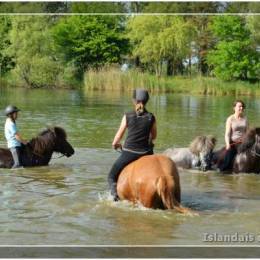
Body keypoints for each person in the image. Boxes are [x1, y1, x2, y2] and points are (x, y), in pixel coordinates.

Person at [108, 89, 157, 201]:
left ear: (133, 101)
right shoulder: (151, 117)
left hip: (129, 153)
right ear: (147, 101)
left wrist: (115, 144)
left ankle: (115, 197)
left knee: (111, 176)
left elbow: (118, 137)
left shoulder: (127, 115)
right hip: (147, 153)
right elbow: (153, 137)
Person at [219, 100, 249, 171]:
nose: (241, 108)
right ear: (234, 108)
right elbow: (227, 134)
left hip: (243, 143)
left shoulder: (245, 119)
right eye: (239, 106)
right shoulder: (230, 119)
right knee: (227, 162)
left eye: (242, 106)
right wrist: (227, 144)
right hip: (233, 143)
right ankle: (223, 172)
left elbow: (248, 132)